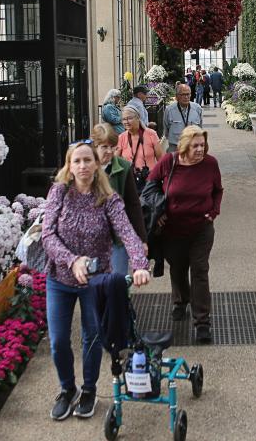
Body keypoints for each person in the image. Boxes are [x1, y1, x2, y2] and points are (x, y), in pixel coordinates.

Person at [42, 141, 151, 420]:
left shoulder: (108, 197)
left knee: (91, 338)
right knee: (58, 341)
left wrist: (139, 264)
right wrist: (72, 259)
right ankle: (68, 389)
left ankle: (89, 390)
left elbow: (127, 233)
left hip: (96, 281)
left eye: (87, 160)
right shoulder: (59, 192)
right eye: (76, 161)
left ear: (96, 164)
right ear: (69, 165)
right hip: (61, 279)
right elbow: (48, 235)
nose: (82, 166)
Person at [147, 126, 223, 343]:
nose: (200, 149)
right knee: (178, 268)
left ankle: (202, 321)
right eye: (195, 145)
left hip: (201, 228)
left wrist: (214, 211)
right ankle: (180, 301)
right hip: (172, 229)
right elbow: (150, 186)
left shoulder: (210, 163)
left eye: (202, 145)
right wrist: (158, 210)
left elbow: (218, 190)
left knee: (200, 270)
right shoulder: (169, 162)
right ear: (184, 145)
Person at [91, 122, 148, 274]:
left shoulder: (123, 167)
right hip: (91, 239)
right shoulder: (85, 167)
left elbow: (133, 205)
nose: (109, 151)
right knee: (94, 286)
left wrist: (142, 239)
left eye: (112, 147)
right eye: (104, 147)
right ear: (94, 146)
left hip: (117, 238)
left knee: (118, 283)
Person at [117, 106, 164, 191]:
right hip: (130, 181)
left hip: (150, 181)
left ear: (138, 118)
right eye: (124, 119)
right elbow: (115, 162)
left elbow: (161, 160)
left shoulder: (151, 134)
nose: (126, 122)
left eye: (129, 118)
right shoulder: (121, 138)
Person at [162, 83, 204, 153]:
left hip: (193, 147)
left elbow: (200, 128)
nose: (186, 97)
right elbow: (166, 130)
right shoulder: (169, 110)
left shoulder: (197, 109)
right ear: (177, 96)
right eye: (183, 94)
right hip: (175, 148)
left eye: (188, 94)